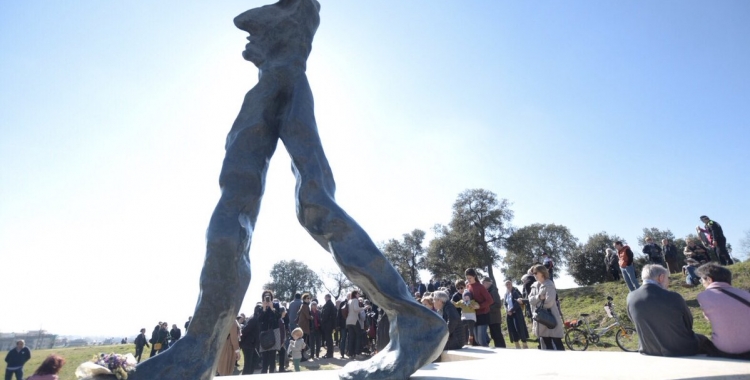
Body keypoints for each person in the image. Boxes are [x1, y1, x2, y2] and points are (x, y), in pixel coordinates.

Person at [133, 2, 447, 379]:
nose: (246, 32)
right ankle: (198, 345)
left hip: (285, 79)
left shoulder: (287, 68)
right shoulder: (266, 87)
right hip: (276, 82)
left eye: (258, 28)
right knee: (244, 216)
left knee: (312, 203)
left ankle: (414, 320)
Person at [627, 264, 701, 356]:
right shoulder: (674, 297)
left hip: (648, 350)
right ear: (661, 277)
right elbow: (688, 323)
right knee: (704, 340)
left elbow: (634, 320)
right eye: (667, 278)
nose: (668, 282)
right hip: (681, 349)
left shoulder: (631, 297)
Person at [695, 263, 750, 359]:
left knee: (699, 339)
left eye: (702, 280)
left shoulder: (703, 296)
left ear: (709, 279)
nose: (702, 283)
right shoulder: (745, 294)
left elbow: (709, 318)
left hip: (725, 350)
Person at [517, 265, 565, 350]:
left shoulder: (549, 284)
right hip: (540, 320)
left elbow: (549, 302)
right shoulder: (534, 285)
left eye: (536, 273)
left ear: (542, 272)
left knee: (557, 344)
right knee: (546, 345)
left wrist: (537, 304)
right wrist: (539, 297)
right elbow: (530, 300)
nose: (534, 275)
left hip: (550, 318)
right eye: (533, 273)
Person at [465, 268, 493, 347]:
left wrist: (479, 306)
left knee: (481, 340)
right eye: (467, 278)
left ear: (474, 276)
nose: (468, 280)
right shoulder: (468, 286)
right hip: (473, 316)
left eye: (470, 278)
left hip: (483, 315)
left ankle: (490, 357)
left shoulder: (480, 287)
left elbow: (490, 300)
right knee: (477, 340)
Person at [503, 280, 529, 349]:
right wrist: (506, 310)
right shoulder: (506, 294)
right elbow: (505, 303)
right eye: (506, 285)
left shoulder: (515, 292)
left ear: (511, 284)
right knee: (512, 329)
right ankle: (517, 345)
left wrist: (512, 310)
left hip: (516, 313)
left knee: (519, 328)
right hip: (509, 314)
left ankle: (524, 344)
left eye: (509, 284)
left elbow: (518, 302)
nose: (508, 286)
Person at [482, 278, 506, 348]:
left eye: (483, 283)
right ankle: (499, 348)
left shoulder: (493, 291)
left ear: (487, 283)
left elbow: (498, 304)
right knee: (494, 335)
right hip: (492, 317)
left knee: (497, 334)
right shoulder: (489, 291)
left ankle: (502, 348)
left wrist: (487, 308)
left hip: (494, 317)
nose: (482, 285)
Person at [240, 304, 262, 375]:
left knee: (255, 359)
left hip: (250, 344)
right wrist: (241, 342)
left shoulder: (255, 318)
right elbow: (245, 331)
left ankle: (249, 375)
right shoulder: (253, 319)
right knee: (248, 365)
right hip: (248, 344)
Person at [345, 290, 364, 359]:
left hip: (348, 321)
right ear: (355, 294)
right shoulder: (355, 300)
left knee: (351, 337)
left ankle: (351, 353)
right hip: (354, 320)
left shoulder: (349, 301)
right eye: (358, 293)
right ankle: (357, 353)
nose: (359, 294)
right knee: (359, 336)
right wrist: (364, 308)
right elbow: (356, 309)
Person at [296, 293, 312, 360]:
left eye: (309, 298)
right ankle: (301, 357)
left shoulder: (303, 305)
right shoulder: (305, 306)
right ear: (304, 299)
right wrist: (312, 317)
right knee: (303, 341)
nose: (309, 300)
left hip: (302, 325)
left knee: (302, 341)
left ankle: (301, 356)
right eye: (307, 298)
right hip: (304, 326)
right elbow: (307, 316)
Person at [320, 294, 337, 358]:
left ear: (327, 297)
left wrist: (322, 321)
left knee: (328, 339)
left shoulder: (328, 305)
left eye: (325, 297)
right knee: (329, 339)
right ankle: (329, 353)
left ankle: (329, 353)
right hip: (330, 324)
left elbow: (325, 315)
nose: (324, 299)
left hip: (327, 324)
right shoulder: (331, 304)